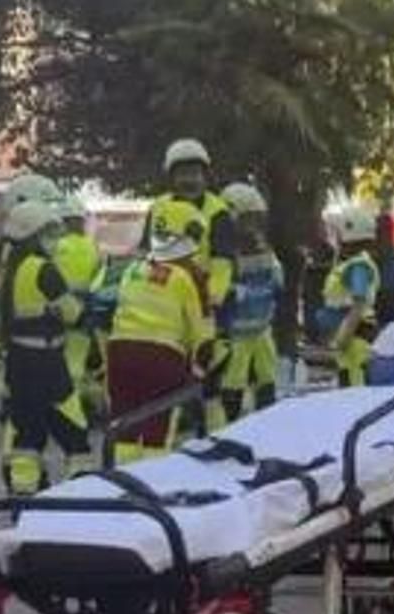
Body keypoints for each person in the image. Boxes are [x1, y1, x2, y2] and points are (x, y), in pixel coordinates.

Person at [0, 200, 94, 495]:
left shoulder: (11, 269)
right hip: (47, 361)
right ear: (32, 235)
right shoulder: (44, 269)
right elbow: (72, 313)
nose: (53, 240)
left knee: (28, 435)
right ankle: (81, 490)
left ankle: (23, 495)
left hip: (19, 359)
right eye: (47, 233)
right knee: (74, 429)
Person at [108, 203, 211, 463]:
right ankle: (151, 492)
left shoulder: (133, 269)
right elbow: (204, 334)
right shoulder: (191, 276)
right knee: (158, 430)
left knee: (124, 428)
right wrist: (199, 373)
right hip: (161, 357)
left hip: (119, 354)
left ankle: (121, 487)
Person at [149, 139, 236, 424]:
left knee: (208, 376)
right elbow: (146, 253)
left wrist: (213, 297)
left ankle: (215, 436)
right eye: (183, 173)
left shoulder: (218, 211)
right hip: (165, 304)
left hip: (203, 303)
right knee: (169, 373)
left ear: (205, 175)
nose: (189, 180)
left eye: (195, 172)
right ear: (171, 176)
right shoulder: (158, 207)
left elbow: (224, 260)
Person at [218, 182, 284, 418]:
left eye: (256, 219)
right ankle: (230, 424)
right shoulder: (223, 252)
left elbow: (277, 281)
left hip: (262, 329)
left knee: (267, 377)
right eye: (247, 220)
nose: (252, 226)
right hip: (235, 333)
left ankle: (266, 420)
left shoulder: (264, 248)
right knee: (233, 381)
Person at [317, 205, 381, 387]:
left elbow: (359, 304)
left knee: (355, 390)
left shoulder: (358, 267)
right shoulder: (351, 263)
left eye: (335, 232)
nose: (332, 237)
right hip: (350, 341)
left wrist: (343, 337)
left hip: (355, 340)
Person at [52, 194, 104, 413]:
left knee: (65, 361)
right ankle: (88, 402)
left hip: (57, 308)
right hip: (85, 309)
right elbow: (98, 277)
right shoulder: (93, 246)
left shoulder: (55, 246)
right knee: (78, 358)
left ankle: (71, 407)